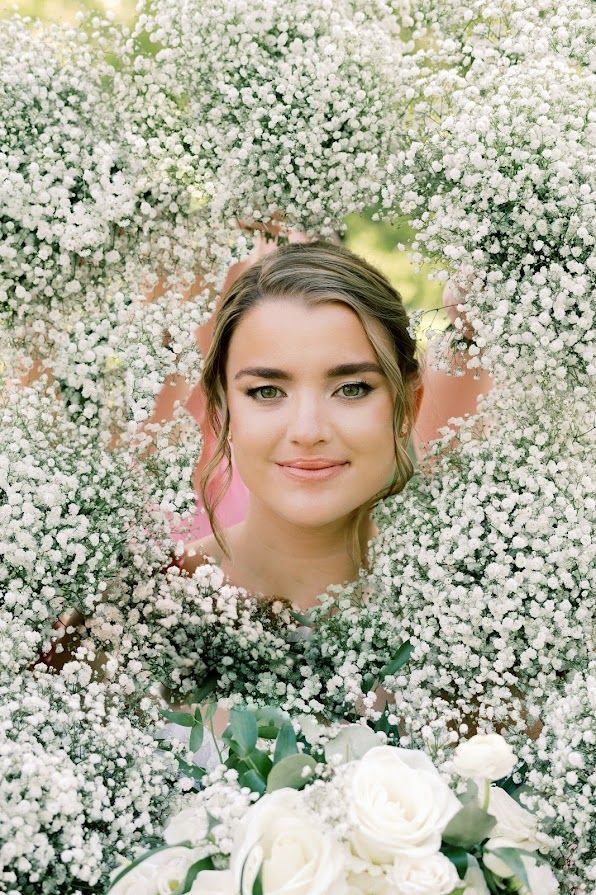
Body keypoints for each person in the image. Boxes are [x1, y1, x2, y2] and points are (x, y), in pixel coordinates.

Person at [179, 240, 424, 611]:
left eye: (351, 389)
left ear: (407, 407)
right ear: (222, 408)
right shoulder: (128, 607)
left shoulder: (481, 609)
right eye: (266, 392)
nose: (308, 432)